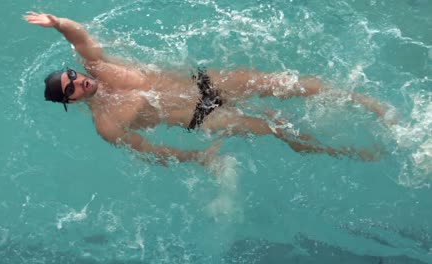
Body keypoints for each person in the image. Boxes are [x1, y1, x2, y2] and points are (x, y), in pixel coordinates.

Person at [24, 12, 393, 165]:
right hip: (203, 117)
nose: (78, 82)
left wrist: (57, 23)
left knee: (288, 86)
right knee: (277, 130)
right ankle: (347, 152)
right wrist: (200, 160)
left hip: (205, 82)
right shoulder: (106, 126)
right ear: (69, 101)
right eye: (70, 89)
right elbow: (152, 151)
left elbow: (81, 36)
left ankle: (370, 104)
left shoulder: (99, 67)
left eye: (71, 76)